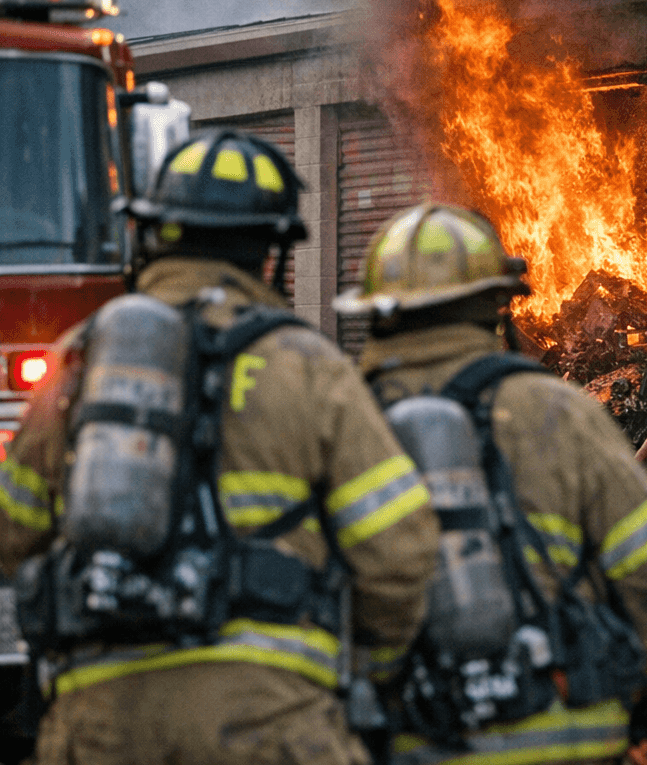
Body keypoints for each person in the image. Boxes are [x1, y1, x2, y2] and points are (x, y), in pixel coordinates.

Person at [0, 129, 439, 764]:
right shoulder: (310, 366)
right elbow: (400, 550)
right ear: (272, 253)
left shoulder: (80, 357)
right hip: (272, 723)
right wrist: (370, 668)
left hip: (101, 723)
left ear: (151, 235)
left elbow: (12, 536)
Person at [334, 202, 647, 765]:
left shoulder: (336, 423)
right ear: (500, 307)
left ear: (379, 313)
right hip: (572, 738)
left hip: (418, 741)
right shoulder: (560, 412)